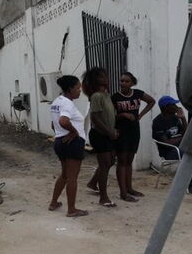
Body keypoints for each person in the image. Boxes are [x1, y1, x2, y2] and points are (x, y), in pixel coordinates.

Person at [111, 71, 155, 202]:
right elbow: (110, 116)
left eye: (126, 81)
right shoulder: (115, 97)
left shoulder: (137, 93)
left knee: (129, 161)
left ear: (132, 83)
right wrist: (123, 115)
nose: (123, 83)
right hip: (121, 131)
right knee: (122, 161)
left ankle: (129, 188)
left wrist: (140, 115)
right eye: (122, 81)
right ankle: (123, 192)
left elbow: (151, 101)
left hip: (134, 130)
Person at [49, 75, 88, 217]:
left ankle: (54, 203)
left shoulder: (56, 101)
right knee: (72, 177)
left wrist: (60, 134)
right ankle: (71, 209)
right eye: (78, 88)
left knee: (65, 174)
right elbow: (63, 121)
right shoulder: (68, 104)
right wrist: (73, 131)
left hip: (60, 141)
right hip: (72, 143)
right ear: (70, 89)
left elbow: (53, 124)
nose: (80, 91)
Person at [83, 68, 118, 208]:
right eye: (102, 76)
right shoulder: (96, 96)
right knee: (105, 165)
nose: (106, 78)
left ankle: (93, 183)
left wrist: (113, 130)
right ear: (96, 80)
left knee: (109, 162)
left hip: (108, 134)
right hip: (100, 135)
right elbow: (95, 118)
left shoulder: (106, 95)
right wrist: (109, 132)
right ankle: (103, 197)